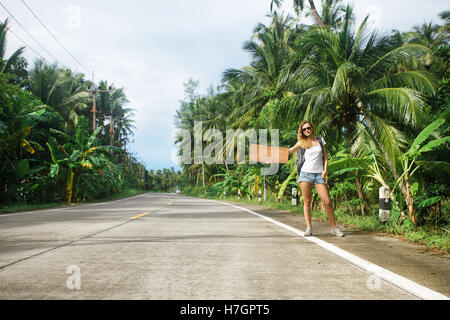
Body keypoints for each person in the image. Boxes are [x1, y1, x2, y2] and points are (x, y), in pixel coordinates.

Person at [288, 120, 344, 237]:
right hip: (305, 174)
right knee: (307, 202)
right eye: (304, 129)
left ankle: (334, 228)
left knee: (327, 202)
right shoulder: (302, 142)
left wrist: (325, 170)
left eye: (308, 128)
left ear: (312, 128)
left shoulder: (320, 140)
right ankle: (309, 228)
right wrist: (272, 156)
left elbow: (326, 158)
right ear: (302, 131)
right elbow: (289, 151)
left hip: (319, 175)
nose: (306, 130)